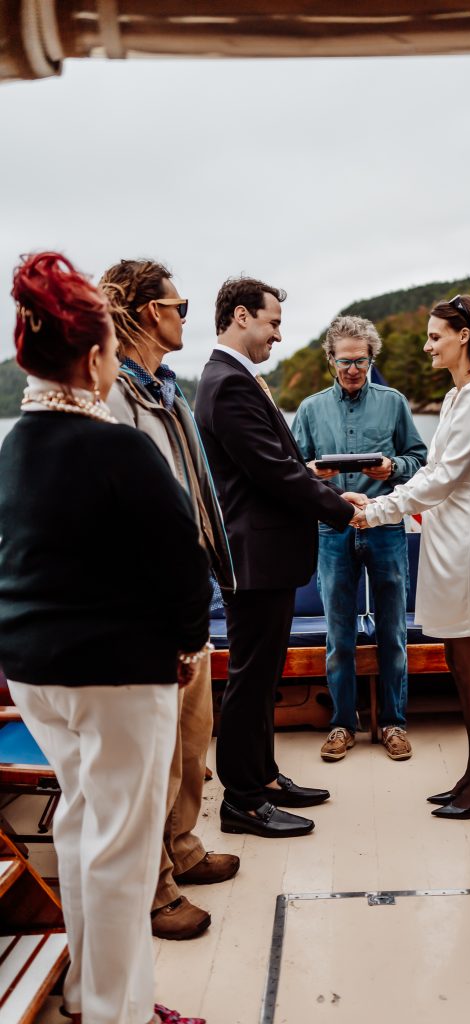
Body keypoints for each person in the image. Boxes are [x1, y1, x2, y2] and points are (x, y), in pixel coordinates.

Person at [0, 252, 211, 1024]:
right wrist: (189, 647)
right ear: (93, 358)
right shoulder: (118, 447)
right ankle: (119, 1017)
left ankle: (94, 996)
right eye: (114, 349)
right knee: (122, 856)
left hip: (35, 674)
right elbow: (182, 562)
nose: (117, 359)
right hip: (116, 675)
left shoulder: (14, 446)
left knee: (87, 827)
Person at [99, 259, 240, 942]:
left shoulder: (166, 392)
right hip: (147, 606)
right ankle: (154, 890)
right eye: (179, 304)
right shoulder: (115, 399)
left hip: (190, 593)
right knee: (150, 754)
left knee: (190, 741)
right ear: (148, 313)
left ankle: (183, 848)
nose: (186, 315)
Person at [194, 276, 357, 838]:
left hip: (264, 553)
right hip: (253, 556)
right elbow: (270, 471)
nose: (278, 336)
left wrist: (319, 481)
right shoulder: (228, 382)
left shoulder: (237, 379)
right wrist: (340, 507)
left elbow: (273, 466)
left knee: (263, 676)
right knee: (249, 676)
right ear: (241, 316)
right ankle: (241, 799)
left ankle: (262, 777)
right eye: (273, 323)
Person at [350, 294, 470, 819]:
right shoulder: (459, 397)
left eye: (435, 335)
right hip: (445, 539)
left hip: (466, 543)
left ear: (464, 336)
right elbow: (431, 478)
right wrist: (391, 503)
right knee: (460, 664)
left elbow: (440, 478)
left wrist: (375, 510)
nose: (427, 345)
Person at [292, 315, 427, 761]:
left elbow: (417, 458)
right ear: (331, 360)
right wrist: (315, 472)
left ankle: (393, 723)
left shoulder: (394, 403)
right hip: (331, 530)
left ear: (372, 359)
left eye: (362, 361)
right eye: (346, 361)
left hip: (385, 526)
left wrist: (392, 469)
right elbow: (294, 470)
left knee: (392, 630)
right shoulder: (310, 409)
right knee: (339, 634)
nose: (354, 369)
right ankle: (342, 726)